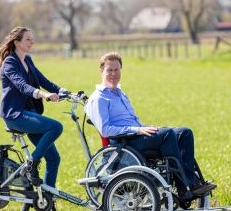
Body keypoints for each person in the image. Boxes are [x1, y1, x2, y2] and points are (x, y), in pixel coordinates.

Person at [84, 52, 217, 201]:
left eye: (117, 70)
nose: (114, 74)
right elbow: (105, 129)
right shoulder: (99, 98)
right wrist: (138, 130)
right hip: (124, 144)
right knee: (167, 135)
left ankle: (191, 182)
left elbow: (132, 122)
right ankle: (184, 186)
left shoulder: (120, 94)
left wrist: (147, 128)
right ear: (102, 71)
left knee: (184, 132)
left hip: (135, 135)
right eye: (110, 70)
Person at [0, 26, 66, 211]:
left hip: (30, 113)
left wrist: (63, 91)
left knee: (53, 159)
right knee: (55, 127)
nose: (32, 42)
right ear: (17, 42)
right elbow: (22, 85)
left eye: (32, 39)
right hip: (15, 114)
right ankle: (31, 164)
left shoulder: (27, 59)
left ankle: (48, 205)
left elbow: (42, 80)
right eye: (28, 39)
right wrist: (43, 94)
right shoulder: (9, 63)